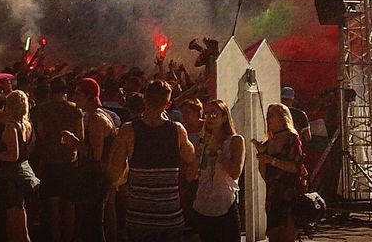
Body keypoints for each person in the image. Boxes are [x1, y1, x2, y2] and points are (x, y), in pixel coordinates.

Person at [112, 80, 196, 242]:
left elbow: (115, 171)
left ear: (144, 100)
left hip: (139, 214)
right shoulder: (177, 130)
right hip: (169, 214)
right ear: (168, 104)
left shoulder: (128, 130)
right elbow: (191, 158)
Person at [65, 79, 116, 242]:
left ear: (89, 96)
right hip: (95, 177)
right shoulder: (95, 115)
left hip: (96, 178)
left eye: (78, 93)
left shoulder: (96, 119)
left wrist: (74, 142)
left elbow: (95, 155)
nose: (74, 96)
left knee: (93, 224)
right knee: (89, 223)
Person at [189, 102, 242, 242]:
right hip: (202, 205)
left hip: (225, 204)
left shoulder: (235, 141)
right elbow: (190, 175)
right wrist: (196, 156)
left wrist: (218, 150)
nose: (209, 118)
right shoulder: (202, 141)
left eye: (213, 114)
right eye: (206, 115)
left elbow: (235, 173)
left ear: (224, 118)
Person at [37, 78, 83, 242]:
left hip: (50, 161)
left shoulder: (43, 109)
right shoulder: (75, 109)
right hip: (70, 161)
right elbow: (81, 138)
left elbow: (41, 135)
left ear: (50, 90)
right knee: (69, 204)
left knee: (53, 205)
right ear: (65, 91)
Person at [255, 104, 304, 242]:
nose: (268, 119)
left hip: (289, 192)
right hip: (273, 194)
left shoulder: (292, 138)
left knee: (287, 233)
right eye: (268, 115)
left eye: (272, 115)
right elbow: (264, 175)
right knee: (273, 234)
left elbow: (296, 166)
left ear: (282, 118)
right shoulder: (269, 141)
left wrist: (272, 160)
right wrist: (262, 156)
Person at [0, 92, 38, 242]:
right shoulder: (28, 125)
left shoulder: (11, 127)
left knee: (17, 225)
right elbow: (29, 149)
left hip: (10, 177)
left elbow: (13, 155)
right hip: (23, 173)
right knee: (16, 225)